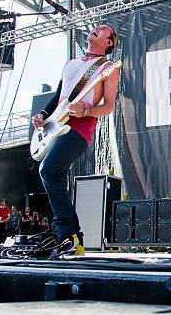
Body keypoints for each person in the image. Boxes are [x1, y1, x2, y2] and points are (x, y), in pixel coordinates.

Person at [31, 24, 121, 256]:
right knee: (51, 173)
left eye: (103, 29)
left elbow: (109, 106)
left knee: (49, 171)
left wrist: (87, 112)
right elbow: (60, 96)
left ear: (108, 43)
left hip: (80, 128)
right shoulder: (71, 64)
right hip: (55, 125)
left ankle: (69, 236)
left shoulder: (107, 67)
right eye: (97, 26)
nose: (96, 27)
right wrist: (42, 115)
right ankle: (70, 239)